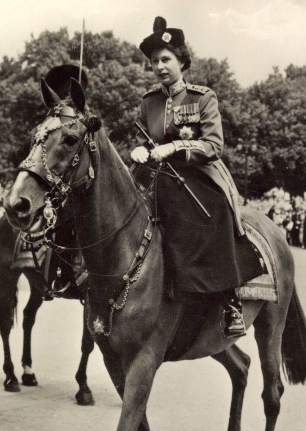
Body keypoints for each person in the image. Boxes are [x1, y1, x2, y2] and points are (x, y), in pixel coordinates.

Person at [130, 17, 263, 338]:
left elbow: (213, 145)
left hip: (199, 175)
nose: (159, 67)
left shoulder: (202, 97)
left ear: (181, 61)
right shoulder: (149, 101)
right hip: (158, 176)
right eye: (154, 62)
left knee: (215, 212)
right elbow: (140, 137)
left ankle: (229, 301)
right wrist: (136, 150)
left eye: (166, 59)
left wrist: (175, 146)